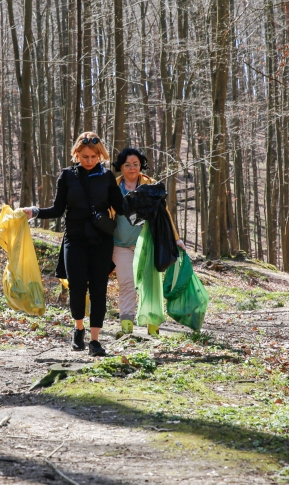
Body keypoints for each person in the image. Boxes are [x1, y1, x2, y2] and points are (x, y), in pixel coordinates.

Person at [23, 132, 123, 356]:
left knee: (98, 289)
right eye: (85, 156)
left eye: (94, 157)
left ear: (100, 155)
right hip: (74, 239)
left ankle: (95, 341)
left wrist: (145, 201)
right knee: (77, 286)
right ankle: (78, 328)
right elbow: (58, 209)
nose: (89, 161)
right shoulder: (67, 176)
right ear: (76, 154)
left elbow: (122, 206)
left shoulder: (107, 177)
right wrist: (35, 211)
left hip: (101, 240)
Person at [111, 147, 184, 338]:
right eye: (127, 165)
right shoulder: (113, 186)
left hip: (147, 246)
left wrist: (176, 238)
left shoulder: (150, 185)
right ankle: (127, 326)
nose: (132, 168)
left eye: (136, 164)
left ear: (141, 165)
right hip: (121, 245)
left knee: (150, 285)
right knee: (127, 283)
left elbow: (164, 214)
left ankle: (153, 327)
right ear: (121, 167)